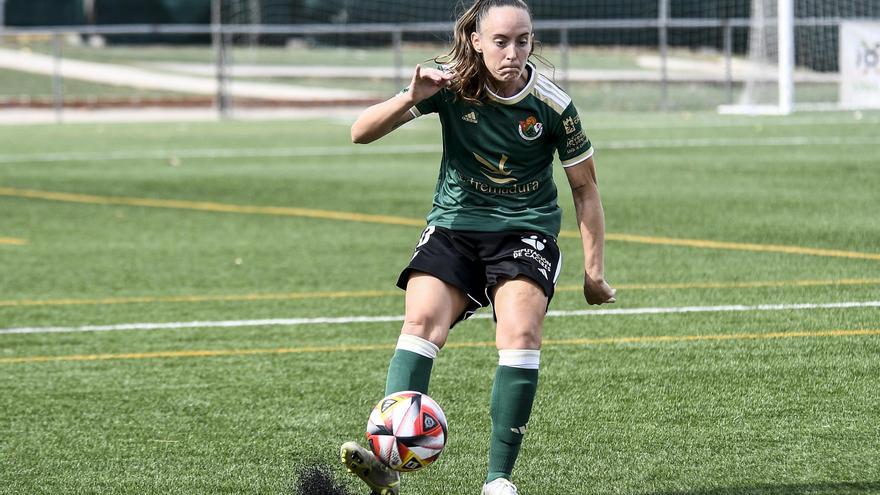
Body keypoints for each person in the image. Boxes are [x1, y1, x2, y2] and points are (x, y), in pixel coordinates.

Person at [340, 1, 616, 493]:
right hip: (455, 227)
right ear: (476, 41)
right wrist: (410, 96)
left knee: (520, 334)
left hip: (525, 230)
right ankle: (388, 460)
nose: (513, 52)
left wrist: (593, 271)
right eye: (501, 41)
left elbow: (585, 189)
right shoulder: (450, 86)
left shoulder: (553, 106)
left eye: (523, 40)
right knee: (421, 321)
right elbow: (360, 133)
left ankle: (498, 480)